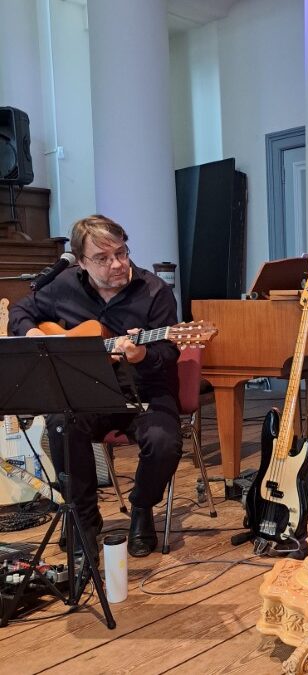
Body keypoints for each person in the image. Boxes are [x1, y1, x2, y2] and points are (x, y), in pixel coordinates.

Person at [9, 214, 183, 558]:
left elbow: (169, 352)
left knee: (163, 442)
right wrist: (32, 334)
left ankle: (141, 508)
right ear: (82, 261)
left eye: (121, 253)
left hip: (145, 393)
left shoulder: (154, 292)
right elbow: (20, 312)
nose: (117, 264)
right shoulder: (63, 286)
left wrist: (141, 354)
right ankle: (85, 520)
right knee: (60, 425)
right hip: (89, 393)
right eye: (103, 259)